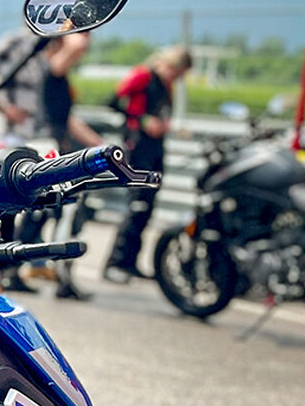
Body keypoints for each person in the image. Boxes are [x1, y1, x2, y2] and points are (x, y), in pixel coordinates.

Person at [104, 44, 191, 283]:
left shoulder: (166, 85)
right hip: (137, 145)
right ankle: (115, 263)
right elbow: (113, 101)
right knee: (137, 205)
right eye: (175, 71)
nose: (176, 77)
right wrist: (142, 120)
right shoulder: (142, 75)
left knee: (148, 205)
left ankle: (130, 261)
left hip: (155, 148)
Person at [31, 31, 101, 300]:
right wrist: (76, 25)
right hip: (50, 146)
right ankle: (61, 276)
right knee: (67, 210)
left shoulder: (55, 75)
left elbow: (68, 119)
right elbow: (77, 43)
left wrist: (99, 145)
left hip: (55, 144)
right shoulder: (51, 69)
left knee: (48, 211)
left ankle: (38, 272)